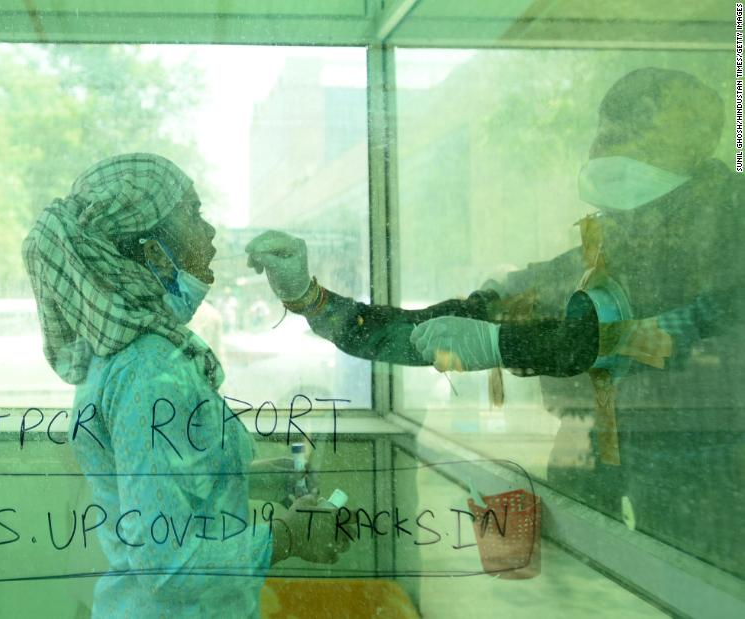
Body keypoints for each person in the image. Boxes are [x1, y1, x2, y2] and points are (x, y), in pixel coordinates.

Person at [247, 68, 745, 577]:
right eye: (601, 133)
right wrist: (311, 299)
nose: (598, 150)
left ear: (683, 140)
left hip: (719, 478)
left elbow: (619, 338)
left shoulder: (727, 229)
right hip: (639, 463)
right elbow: (421, 331)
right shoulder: (616, 244)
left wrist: (500, 342)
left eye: (618, 135)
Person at [23, 153, 350, 619]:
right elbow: (167, 566)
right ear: (152, 249)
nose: (211, 231)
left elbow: (161, 488)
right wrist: (289, 536)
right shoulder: (150, 372)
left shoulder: (130, 353)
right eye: (193, 213)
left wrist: (257, 478)